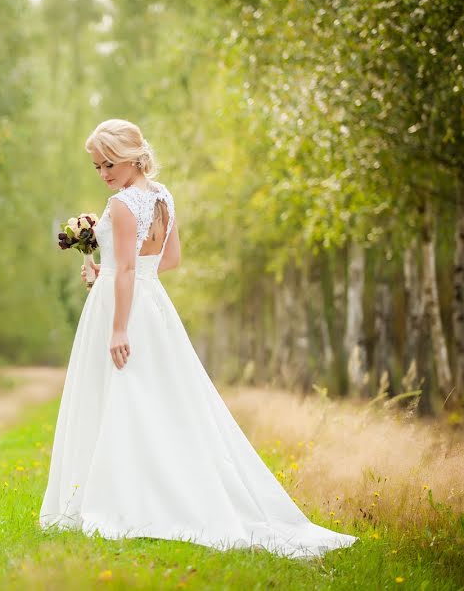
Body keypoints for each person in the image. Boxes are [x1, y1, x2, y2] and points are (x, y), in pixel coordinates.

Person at [38, 118, 358, 559]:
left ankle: (129, 502)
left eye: (109, 163)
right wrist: (104, 272)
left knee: (125, 396)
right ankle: (147, 492)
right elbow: (168, 259)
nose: (104, 173)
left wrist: (117, 323)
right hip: (152, 305)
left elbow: (131, 267)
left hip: (125, 312)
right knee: (154, 398)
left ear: (131, 155)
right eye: (97, 167)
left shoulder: (121, 204)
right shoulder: (162, 195)